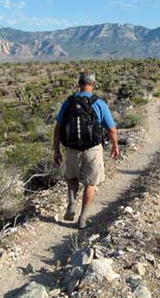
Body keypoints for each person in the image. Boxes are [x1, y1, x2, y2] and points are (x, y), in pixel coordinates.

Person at [53, 70, 119, 229]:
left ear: (79, 84)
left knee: (72, 178)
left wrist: (56, 150)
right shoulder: (99, 103)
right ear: (93, 84)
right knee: (90, 183)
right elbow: (111, 129)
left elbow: (58, 127)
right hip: (93, 149)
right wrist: (115, 145)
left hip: (71, 148)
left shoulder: (68, 102)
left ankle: (71, 203)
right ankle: (83, 218)